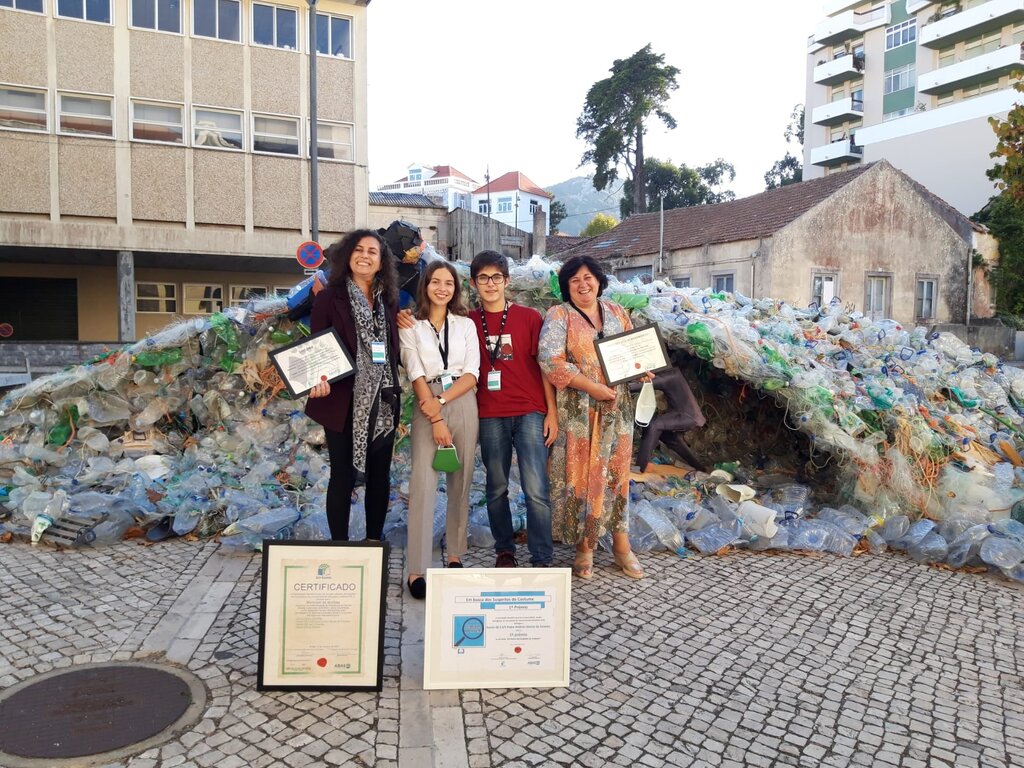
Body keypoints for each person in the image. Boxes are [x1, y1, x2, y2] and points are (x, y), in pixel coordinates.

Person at [539, 255, 645, 580]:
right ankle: (585, 546)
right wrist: (591, 387)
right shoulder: (559, 315)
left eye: (588, 278)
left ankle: (621, 545)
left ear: (599, 280)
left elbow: (630, 353)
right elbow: (549, 360)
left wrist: (642, 370)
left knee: (616, 474)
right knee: (584, 477)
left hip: (617, 412)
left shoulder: (616, 312)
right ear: (566, 286)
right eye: (575, 280)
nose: (583, 285)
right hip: (579, 415)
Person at [305, 229, 401, 542]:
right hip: (343, 400)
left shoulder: (388, 300)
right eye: (359, 249)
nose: (365, 256)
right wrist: (316, 381)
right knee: (342, 476)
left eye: (372, 251)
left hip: (384, 403)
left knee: (380, 477)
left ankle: (374, 541)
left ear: (381, 261)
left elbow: (393, 348)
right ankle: (340, 546)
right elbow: (316, 346)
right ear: (348, 255)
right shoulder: (329, 298)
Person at [469, 250, 557, 568]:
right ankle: (504, 549)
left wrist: (552, 413)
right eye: (483, 278)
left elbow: (545, 367)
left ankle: (542, 556)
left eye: (496, 277)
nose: (490, 284)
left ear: (506, 281)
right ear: (474, 282)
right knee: (496, 487)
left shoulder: (529, 317)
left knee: (536, 489)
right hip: (491, 413)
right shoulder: (468, 323)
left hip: (531, 411)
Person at [400, 260, 480, 599]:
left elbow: (472, 372)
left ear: (455, 289)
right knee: (423, 483)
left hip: (460, 399)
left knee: (460, 481)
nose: (442, 288)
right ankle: (417, 568)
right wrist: (433, 413)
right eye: (436, 282)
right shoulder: (411, 326)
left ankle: (455, 555)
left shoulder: (465, 325)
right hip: (426, 402)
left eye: (449, 283)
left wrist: (443, 402)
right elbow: (414, 370)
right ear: (426, 286)